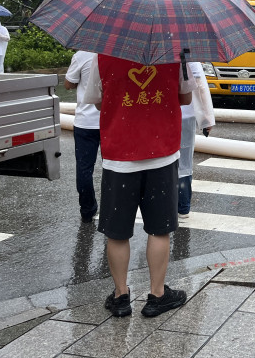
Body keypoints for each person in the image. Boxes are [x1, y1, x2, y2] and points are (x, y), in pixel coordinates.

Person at [83, 55, 196, 318]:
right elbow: (186, 98)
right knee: (159, 230)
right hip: (162, 154)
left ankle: (121, 297)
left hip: (119, 157)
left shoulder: (102, 56)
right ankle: (157, 295)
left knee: (117, 232)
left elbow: (99, 101)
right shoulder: (176, 54)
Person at [64, 51, 102, 223]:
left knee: (84, 168)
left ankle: (87, 210)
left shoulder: (81, 55)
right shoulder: (115, 53)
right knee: (111, 168)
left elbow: (68, 84)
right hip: (110, 121)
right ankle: (111, 208)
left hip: (85, 123)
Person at [178, 61, 215, 219]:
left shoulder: (154, 49)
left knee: (162, 162)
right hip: (185, 115)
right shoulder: (186, 50)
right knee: (184, 163)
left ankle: (165, 205)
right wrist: (207, 118)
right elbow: (199, 85)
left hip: (160, 114)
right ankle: (183, 207)